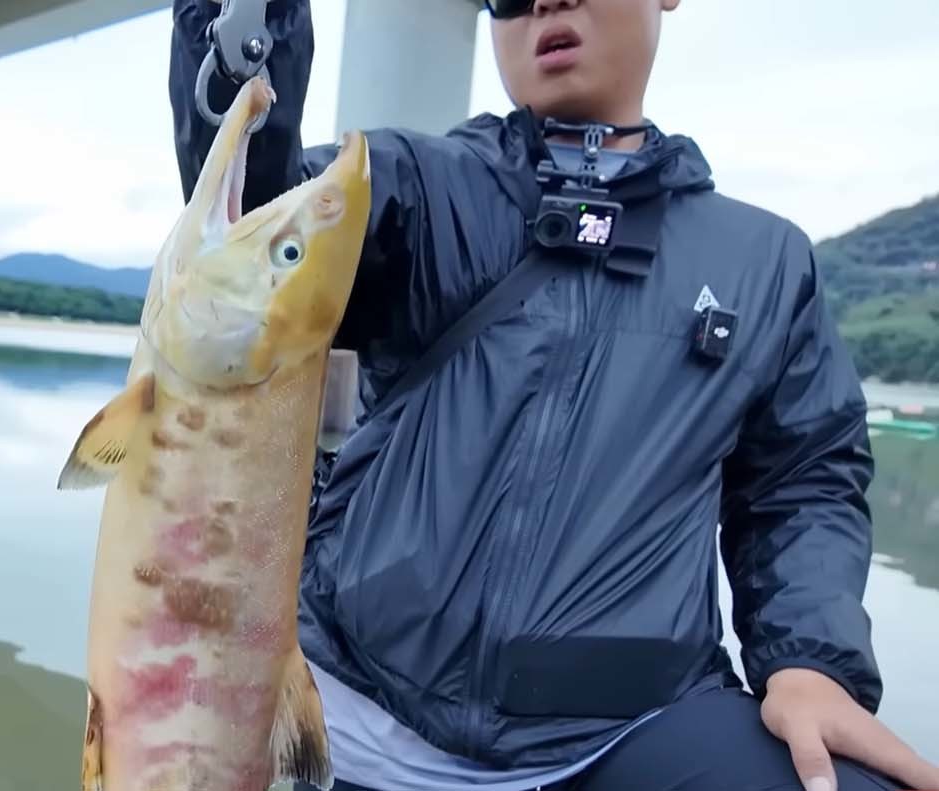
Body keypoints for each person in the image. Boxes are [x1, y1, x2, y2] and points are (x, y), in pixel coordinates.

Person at [166, 1, 939, 791]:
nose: (543, 3)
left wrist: (811, 661)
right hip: (357, 722)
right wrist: (238, 34)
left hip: (635, 731)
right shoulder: (415, 188)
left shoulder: (766, 260)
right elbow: (253, 219)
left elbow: (802, 483)